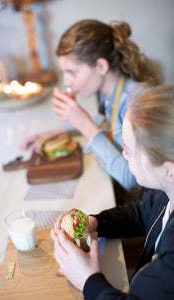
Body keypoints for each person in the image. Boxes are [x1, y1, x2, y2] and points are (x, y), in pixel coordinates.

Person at [51, 84, 174, 299]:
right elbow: (144, 213)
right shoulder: (165, 191)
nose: (124, 156)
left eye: (129, 150)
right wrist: (96, 222)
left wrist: (88, 280)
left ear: (168, 169)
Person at [51, 19, 160, 193]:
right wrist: (59, 132)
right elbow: (108, 123)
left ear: (101, 66)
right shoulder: (108, 93)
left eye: (72, 72)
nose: (65, 81)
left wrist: (85, 125)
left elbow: (132, 181)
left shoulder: (136, 102)